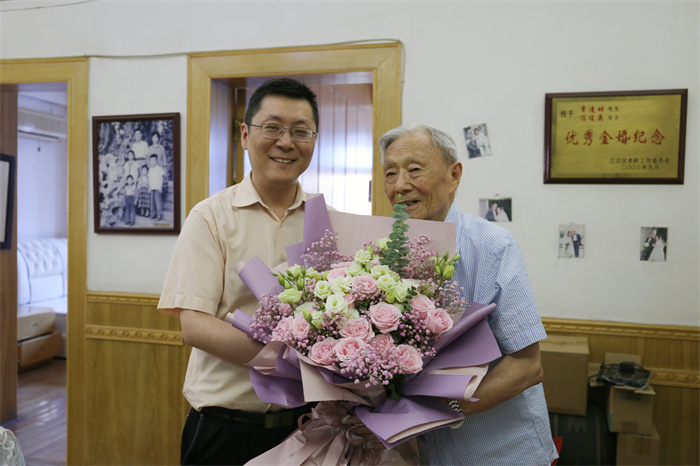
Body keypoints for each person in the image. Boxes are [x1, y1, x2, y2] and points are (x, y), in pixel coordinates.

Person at [157, 77, 320, 465]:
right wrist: (286, 361)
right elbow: (195, 325)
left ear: (314, 140)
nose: (286, 142)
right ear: (245, 135)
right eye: (272, 127)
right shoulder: (210, 217)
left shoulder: (326, 219)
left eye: (301, 131)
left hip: (309, 428)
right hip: (226, 429)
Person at [379, 123, 557, 465]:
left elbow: (528, 366)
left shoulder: (492, 246)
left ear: (454, 175)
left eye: (414, 169)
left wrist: (442, 410)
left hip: (499, 453)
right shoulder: (383, 257)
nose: (400, 185)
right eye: (390, 173)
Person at [147, 154, 165, 221]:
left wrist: (160, 187)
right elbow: (149, 179)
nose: (153, 162)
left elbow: (161, 179)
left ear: (157, 161)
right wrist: (149, 187)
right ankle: (153, 214)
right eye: (151, 160)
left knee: (158, 202)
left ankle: (159, 215)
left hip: (157, 188)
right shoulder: (150, 169)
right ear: (150, 161)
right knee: (152, 202)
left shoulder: (159, 169)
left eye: (154, 160)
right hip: (152, 188)